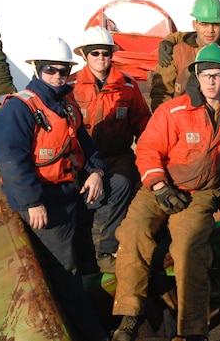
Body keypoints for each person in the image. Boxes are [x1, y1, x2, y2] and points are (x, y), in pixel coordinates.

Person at [111, 43, 220, 341]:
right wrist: (159, 187)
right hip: (160, 189)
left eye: (217, 74)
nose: (211, 81)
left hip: (201, 195)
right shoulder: (173, 111)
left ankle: (193, 332)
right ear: (196, 76)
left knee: (190, 252)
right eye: (205, 74)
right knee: (133, 233)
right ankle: (129, 317)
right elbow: (147, 149)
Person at [0, 36, 131, 341]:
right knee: (65, 275)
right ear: (37, 69)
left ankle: (100, 250)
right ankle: (89, 334)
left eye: (62, 70)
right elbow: (11, 160)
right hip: (46, 206)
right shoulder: (19, 110)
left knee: (119, 186)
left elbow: (86, 143)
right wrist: (32, 203)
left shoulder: (65, 105)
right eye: (50, 70)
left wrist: (96, 171)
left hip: (72, 193)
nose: (57, 76)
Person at [66, 26, 151, 272]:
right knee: (86, 197)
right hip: (83, 159)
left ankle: (104, 247)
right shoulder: (70, 88)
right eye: (95, 53)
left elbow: (143, 125)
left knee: (122, 184)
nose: (101, 58)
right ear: (84, 55)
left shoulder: (128, 86)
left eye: (105, 53)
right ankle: (85, 251)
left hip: (118, 156)